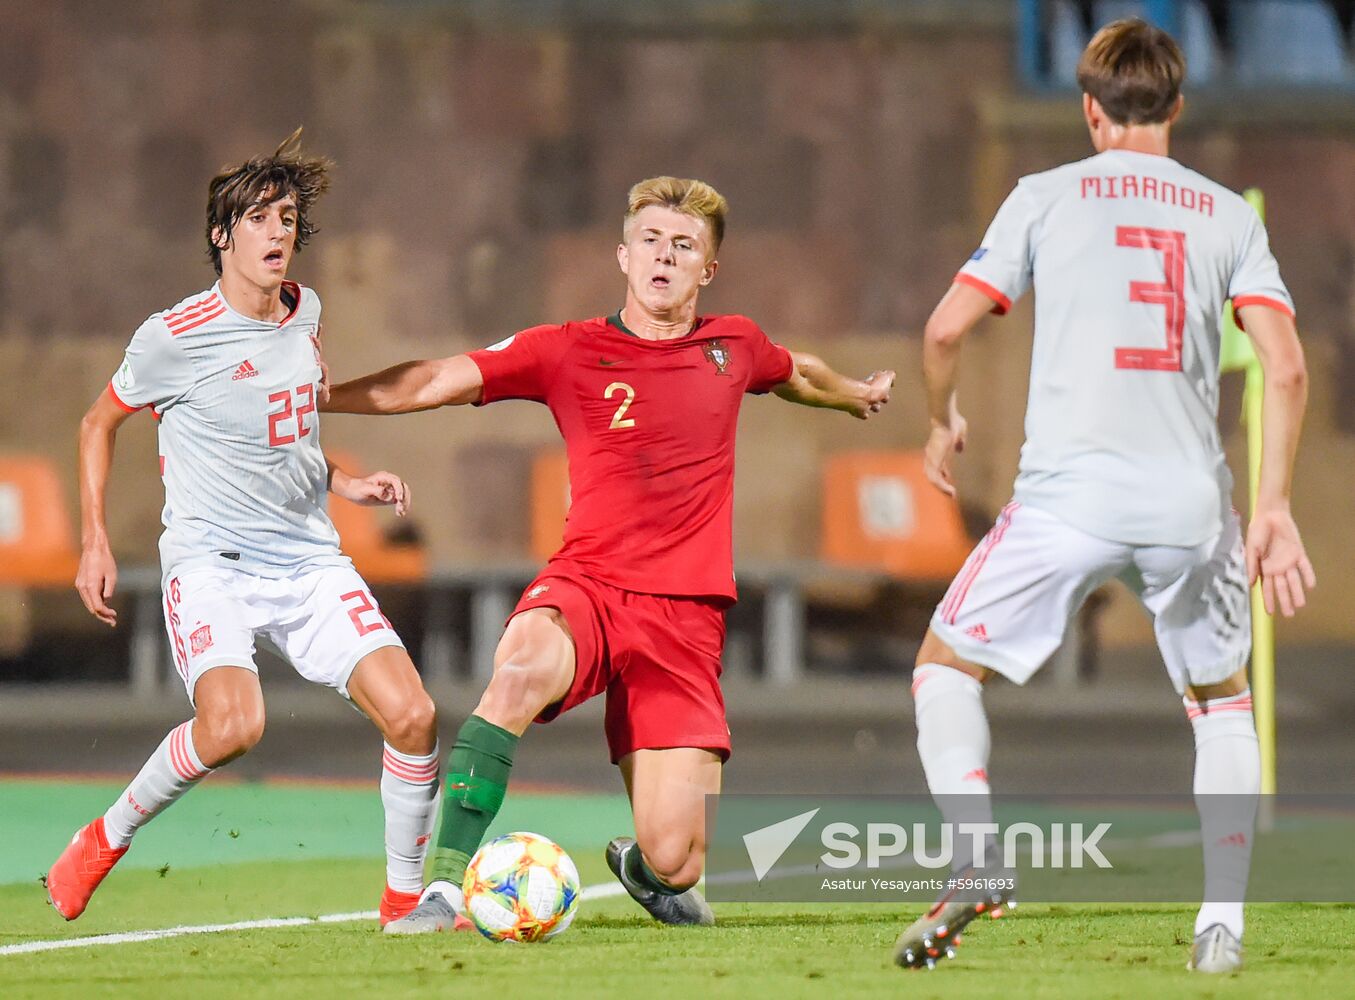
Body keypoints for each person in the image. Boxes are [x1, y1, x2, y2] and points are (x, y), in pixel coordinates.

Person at [323, 176, 896, 932]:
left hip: (685, 622)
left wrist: (851, 393)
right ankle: (442, 887)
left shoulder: (734, 346)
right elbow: (431, 379)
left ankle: (644, 869)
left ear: (707, 270)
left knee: (678, 862)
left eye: (683, 246)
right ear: (623, 257)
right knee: (519, 670)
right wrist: (314, 396)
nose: (664, 256)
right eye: (651, 241)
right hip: (587, 588)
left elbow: (798, 373)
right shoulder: (566, 351)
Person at [892, 19, 1314, 974]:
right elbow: (1283, 369)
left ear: (1089, 111)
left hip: (1064, 503)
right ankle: (1221, 929)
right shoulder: (1226, 215)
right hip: (1189, 507)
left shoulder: (1042, 197)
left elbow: (945, 326)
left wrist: (940, 419)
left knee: (943, 671)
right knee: (1221, 707)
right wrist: (1276, 507)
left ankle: (975, 856)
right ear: (1175, 107)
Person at [47, 131, 442, 930]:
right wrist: (94, 538)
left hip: (307, 561)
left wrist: (345, 481)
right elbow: (98, 422)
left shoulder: (306, 311)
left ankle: (404, 903)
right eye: (257, 218)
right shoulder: (173, 338)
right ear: (221, 237)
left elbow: (283, 430)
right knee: (233, 727)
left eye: (288, 217)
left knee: (415, 715)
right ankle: (104, 836)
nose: (277, 233)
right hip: (212, 564)